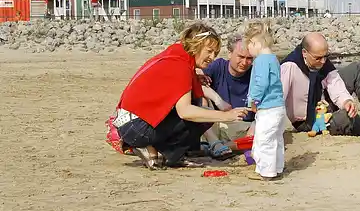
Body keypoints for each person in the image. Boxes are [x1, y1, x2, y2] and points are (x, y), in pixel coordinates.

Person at [114, 22, 249, 170]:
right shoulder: (181, 66)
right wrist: (227, 116)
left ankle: (171, 155)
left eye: (215, 54)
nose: (212, 57)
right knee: (199, 113)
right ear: (196, 46)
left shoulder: (176, 56)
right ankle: (152, 148)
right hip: (135, 127)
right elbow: (185, 112)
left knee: (199, 109)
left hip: (129, 123)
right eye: (209, 51)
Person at [281, 32, 360, 137]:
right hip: (309, 122)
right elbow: (278, 98)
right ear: (304, 53)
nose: (323, 61)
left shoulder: (323, 62)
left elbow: (336, 85)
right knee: (345, 117)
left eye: (326, 56)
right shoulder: (289, 67)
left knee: (358, 68)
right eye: (318, 58)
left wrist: (346, 101)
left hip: (325, 104)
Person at [244, 21, 286, 181]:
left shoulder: (261, 60)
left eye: (248, 47)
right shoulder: (274, 59)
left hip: (267, 108)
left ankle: (266, 172)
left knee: (264, 140)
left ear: (254, 42)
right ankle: (277, 167)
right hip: (278, 107)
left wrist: (254, 100)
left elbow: (261, 83)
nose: (249, 51)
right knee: (277, 139)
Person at [199, 33, 255, 151]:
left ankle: (219, 147)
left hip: (241, 126)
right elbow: (195, 79)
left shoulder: (256, 75)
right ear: (229, 53)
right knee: (201, 97)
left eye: (249, 58)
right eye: (240, 57)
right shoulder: (217, 67)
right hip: (215, 123)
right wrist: (218, 100)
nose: (244, 63)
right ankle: (213, 143)